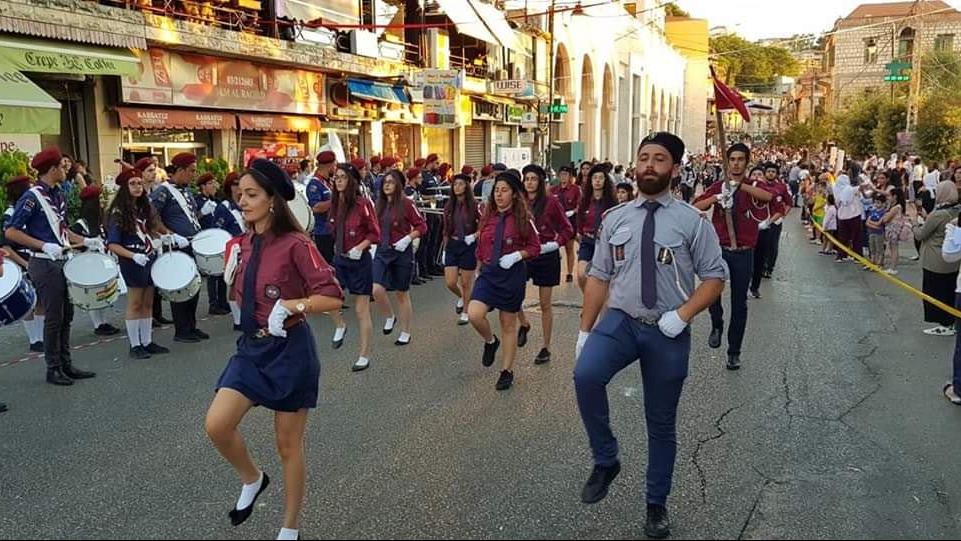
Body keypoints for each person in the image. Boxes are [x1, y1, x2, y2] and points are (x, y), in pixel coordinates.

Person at [573, 132, 727, 539]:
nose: (649, 166)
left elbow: (714, 278)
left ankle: (656, 504)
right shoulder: (615, 219)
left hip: (667, 328)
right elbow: (599, 276)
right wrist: (585, 331)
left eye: (659, 159)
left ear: (674, 169)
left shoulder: (692, 222)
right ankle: (606, 460)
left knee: (660, 423)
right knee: (585, 375)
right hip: (622, 321)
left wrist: (685, 314)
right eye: (643, 158)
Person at [204, 159, 343, 541]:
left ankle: (290, 526)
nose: (242, 202)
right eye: (240, 195)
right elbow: (243, 297)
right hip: (251, 349)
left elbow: (331, 296)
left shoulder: (297, 244)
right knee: (217, 425)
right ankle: (253, 478)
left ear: (272, 201)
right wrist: (231, 273)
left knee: (288, 445)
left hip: (290, 352)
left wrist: (293, 306)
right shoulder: (243, 243)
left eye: (251, 195)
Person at [4, 147, 101, 385]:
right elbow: (11, 231)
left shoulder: (56, 194)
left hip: (62, 260)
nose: (66, 169)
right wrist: (43, 245)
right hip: (44, 263)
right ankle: (53, 368)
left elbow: (61, 229)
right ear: (52, 169)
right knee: (53, 317)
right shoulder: (31, 197)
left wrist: (84, 241)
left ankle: (66, 363)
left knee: (67, 314)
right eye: (62, 166)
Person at [693, 143, 773, 370]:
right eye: (732, 159)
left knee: (740, 303)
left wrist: (741, 187)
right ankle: (716, 323)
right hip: (719, 250)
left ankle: (734, 351)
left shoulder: (753, 185)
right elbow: (696, 206)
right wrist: (717, 198)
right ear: (727, 162)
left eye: (740, 159)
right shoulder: (719, 186)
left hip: (743, 252)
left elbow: (767, 196)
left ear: (747, 162)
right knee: (712, 295)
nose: (736, 163)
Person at [467, 170, 540, 391]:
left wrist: (518, 255)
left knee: (508, 325)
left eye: (504, 190)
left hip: (511, 276)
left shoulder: (523, 219)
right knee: (474, 314)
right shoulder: (487, 215)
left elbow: (535, 247)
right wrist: (479, 267)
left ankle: (506, 370)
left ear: (515, 194)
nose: (499, 195)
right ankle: (491, 341)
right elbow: (482, 244)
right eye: (496, 190)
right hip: (489, 275)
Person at [106, 168, 170, 359]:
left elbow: (151, 231)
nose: (137, 187)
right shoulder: (118, 213)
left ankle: (147, 340)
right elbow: (113, 244)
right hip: (133, 260)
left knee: (148, 301)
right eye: (132, 184)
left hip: (149, 257)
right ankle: (135, 344)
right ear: (125, 188)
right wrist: (133, 256)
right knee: (135, 303)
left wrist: (163, 238)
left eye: (139, 183)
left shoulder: (143, 209)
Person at [516, 164, 573, 364]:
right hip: (524, 255)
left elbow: (567, 229)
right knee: (512, 296)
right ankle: (524, 324)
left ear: (540, 182)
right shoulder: (518, 202)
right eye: (527, 179)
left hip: (546, 255)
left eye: (533, 179)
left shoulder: (551, 202)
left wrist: (555, 244)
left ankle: (545, 347)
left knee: (545, 304)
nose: (530, 182)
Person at [150, 152, 209, 343]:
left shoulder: (186, 190)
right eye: (191, 171)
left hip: (192, 243)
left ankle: (191, 326)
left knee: (194, 286)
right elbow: (152, 218)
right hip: (176, 246)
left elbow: (189, 217)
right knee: (180, 287)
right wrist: (170, 234)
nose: (194, 174)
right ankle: (182, 330)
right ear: (180, 170)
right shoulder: (163, 191)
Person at [329, 163, 380, 372]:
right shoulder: (334, 204)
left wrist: (360, 247)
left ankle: (364, 354)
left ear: (351, 181)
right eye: (336, 177)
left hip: (359, 262)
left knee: (361, 310)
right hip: (340, 259)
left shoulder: (363, 204)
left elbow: (375, 233)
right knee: (329, 297)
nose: (338, 180)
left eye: (342, 177)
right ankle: (340, 324)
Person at [372, 170, 427, 346]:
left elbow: (422, 226)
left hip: (401, 251)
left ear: (398, 185)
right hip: (382, 251)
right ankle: (389, 316)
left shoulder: (407, 204)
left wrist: (408, 238)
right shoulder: (378, 204)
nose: (387, 185)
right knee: (376, 289)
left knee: (402, 293)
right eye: (384, 182)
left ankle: (405, 331)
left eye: (391, 182)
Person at [2, 174, 44, 352]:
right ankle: (35, 339)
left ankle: (42, 337)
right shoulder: (9, 215)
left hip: (36, 258)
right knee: (28, 302)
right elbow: (6, 247)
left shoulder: (30, 211)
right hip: (22, 262)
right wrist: (25, 265)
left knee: (40, 301)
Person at [914, 180, 961, 336]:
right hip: (952, 259)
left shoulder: (938, 214)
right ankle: (950, 321)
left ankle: (943, 324)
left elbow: (921, 234)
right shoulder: (957, 210)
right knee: (949, 291)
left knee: (935, 293)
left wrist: (914, 224)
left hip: (934, 260)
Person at [135, 157, 174, 327]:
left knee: (154, 280)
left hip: (154, 241)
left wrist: (166, 234)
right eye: (149, 170)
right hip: (142, 244)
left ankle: (155, 314)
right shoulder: (137, 193)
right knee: (143, 287)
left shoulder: (152, 191)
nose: (153, 174)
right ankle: (146, 318)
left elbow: (155, 219)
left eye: (154, 170)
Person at [442, 173, 480, 326]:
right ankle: (463, 297)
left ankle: (465, 311)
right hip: (453, 244)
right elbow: (445, 229)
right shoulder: (449, 205)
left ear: (466, 186)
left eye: (460, 184)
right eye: (455, 184)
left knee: (466, 282)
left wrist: (474, 236)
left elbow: (483, 225)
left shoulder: (474, 205)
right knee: (451, 282)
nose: (457, 187)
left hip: (468, 245)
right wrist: (444, 250)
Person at [575, 164, 618, 292]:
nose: (598, 181)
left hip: (605, 244)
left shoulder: (611, 203)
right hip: (588, 242)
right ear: (591, 181)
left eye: (601, 178)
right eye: (595, 178)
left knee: (603, 278)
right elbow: (580, 220)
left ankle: (600, 304)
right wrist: (580, 233)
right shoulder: (585, 201)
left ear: (605, 181)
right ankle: (588, 298)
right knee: (582, 274)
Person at [214, 172, 246, 329]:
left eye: (240, 184)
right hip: (233, 248)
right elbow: (218, 232)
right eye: (235, 184)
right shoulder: (224, 207)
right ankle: (238, 320)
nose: (238, 188)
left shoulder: (246, 203)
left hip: (248, 245)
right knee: (233, 284)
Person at [196, 173, 230, 316]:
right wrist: (202, 213)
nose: (214, 186)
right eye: (210, 183)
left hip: (217, 237)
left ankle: (223, 301)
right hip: (205, 239)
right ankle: (213, 303)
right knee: (212, 273)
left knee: (222, 271)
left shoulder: (216, 201)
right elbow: (194, 218)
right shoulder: (197, 201)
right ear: (203, 186)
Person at [551, 165, 580, 283]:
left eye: (566, 175)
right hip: (556, 223)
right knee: (554, 247)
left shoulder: (575, 189)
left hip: (570, 221)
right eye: (561, 174)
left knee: (569, 248)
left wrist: (572, 212)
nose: (563, 177)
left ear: (570, 177)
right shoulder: (554, 189)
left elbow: (580, 205)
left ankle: (569, 272)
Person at [307, 151, 335, 264]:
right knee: (328, 264)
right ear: (329, 166)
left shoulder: (328, 182)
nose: (335, 168)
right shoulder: (314, 184)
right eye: (334, 165)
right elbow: (316, 207)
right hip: (323, 232)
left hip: (333, 230)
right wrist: (335, 201)